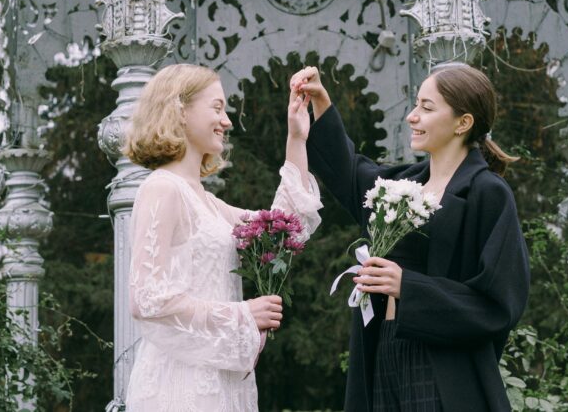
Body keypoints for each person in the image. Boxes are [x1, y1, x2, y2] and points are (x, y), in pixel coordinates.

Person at [290, 63, 529, 412]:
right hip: (381, 352)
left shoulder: (487, 193)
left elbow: (499, 304)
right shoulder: (403, 185)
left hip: (441, 367)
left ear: (464, 123)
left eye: (427, 108)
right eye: (416, 105)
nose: (412, 117)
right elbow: (349, 173)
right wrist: (321, 103)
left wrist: (409, 287)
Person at [122, 64, 323, 412]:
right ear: (180, 110)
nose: (227, 121)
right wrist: (241, 314)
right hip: (179, 384)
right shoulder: (161, 189)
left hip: (219, 382)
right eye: (217, 107)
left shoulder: (207, 202)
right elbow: (146, 298)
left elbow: (285, 227)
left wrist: (296, 137)